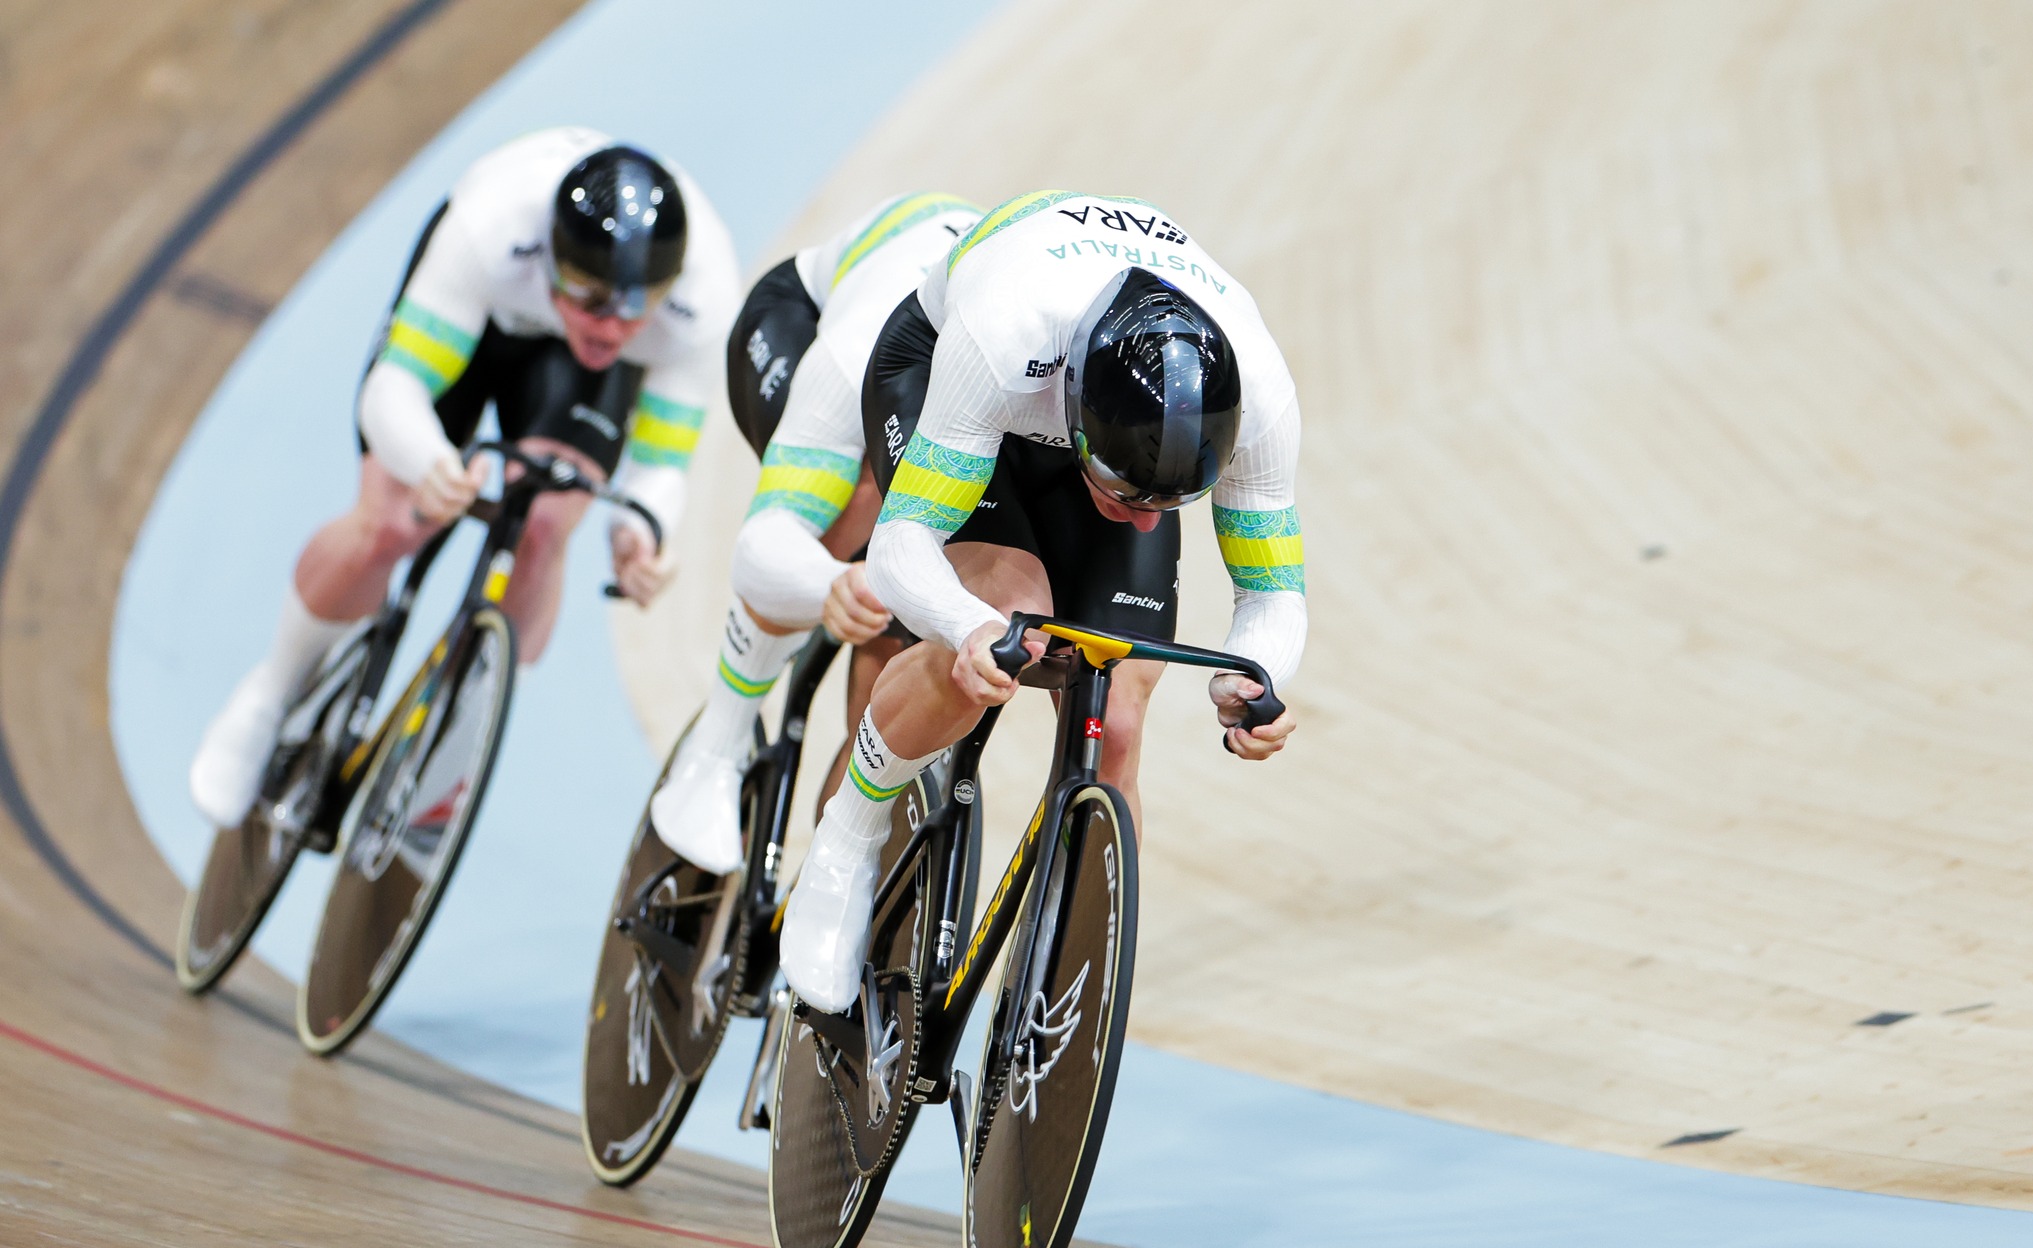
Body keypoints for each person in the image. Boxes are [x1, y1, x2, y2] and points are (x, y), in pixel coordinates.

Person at [778, 192, 1307, 1013]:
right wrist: (966, 626)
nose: (1143, 519)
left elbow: (1273, 592)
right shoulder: (1004, 330)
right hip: (947, 384)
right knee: (1007, 616)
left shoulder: (1261, 397)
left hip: (1095, 416)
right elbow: (901, 544)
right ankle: (846, 841)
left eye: (1167, 503)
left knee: (1120, 712)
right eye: (1127, 490)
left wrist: (1257, 677)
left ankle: (1066, 1001)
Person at [187, 126, 739, 827]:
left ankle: (459, 740)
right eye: (591, 296)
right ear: (553, 260)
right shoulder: (490, 229)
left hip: (568, 374)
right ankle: (269, 693)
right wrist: (431, 463)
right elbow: (393, 390)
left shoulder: (700, 298)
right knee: (391, 521)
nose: (611, 326)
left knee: (545, 522)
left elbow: (661, 464)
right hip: (479, 317)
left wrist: (640, 532)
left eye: (635, 306)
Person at [647, 193, 983, 875]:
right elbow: (766, 538)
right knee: (849, 502)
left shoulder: (1008, 380)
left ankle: (828, 883)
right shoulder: (857, 351)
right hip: (802, 321)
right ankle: (718, 743)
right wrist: (831, 581)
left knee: (901, 637)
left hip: (932, 381)